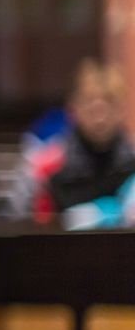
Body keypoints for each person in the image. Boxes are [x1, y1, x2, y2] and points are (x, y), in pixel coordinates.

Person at [23, 60, 135, 226]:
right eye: (89, 102)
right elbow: (26, 226)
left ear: (122, 108)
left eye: (110, 102)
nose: (100, 115)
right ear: (72, 107)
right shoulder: (44, 165)